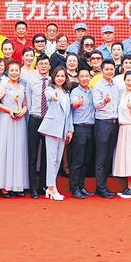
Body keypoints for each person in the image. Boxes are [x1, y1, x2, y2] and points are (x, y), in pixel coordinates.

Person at [39, 66, 74, 201]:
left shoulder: (67, 93)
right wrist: (53, 97)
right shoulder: (50, 89)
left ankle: (50, 187)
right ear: (54, 77)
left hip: (63, 129)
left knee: (58, 159)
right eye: (58, 76)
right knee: (51, 159)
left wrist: (70, 130)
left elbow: (69, 114)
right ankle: (52, 187)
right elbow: (48, 95)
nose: (60, 78)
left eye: (62, 76)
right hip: (52, 128)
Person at [92, 60, 120, 199]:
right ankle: (101, 188)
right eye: (107, 69)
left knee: (109, 155)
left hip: (114, 123)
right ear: (102, 71)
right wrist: (104, 101)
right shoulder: (98, 86)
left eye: (111, 69)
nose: (109, 71)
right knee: (101, 156)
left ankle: (102, 186)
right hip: (103, 123)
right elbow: (96, 104)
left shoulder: (116, 85)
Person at [25, 54, 52, 198]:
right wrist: (33, 115)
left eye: (46, 63)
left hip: (49, 120)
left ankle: (43, 185)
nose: (43, 66)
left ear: (49, 66)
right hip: (35, 119)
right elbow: (28, 101)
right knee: (33, 155)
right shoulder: (31, 81)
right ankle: (33, 187)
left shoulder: (53, 81)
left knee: (46, 155)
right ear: (36, 66)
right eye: (41, 63)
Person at [68, 68, 95, 199]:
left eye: (87, 76)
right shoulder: (75, 92)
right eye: (82, 76)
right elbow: (73, 103)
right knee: (77, 160)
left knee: (85, 160)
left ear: (90, 78)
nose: (84, 78)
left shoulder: (92, 92)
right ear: (78, 78)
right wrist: (77, 103)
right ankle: (74, 188)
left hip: (91, 128)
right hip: (79, 128)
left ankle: (81, 186)